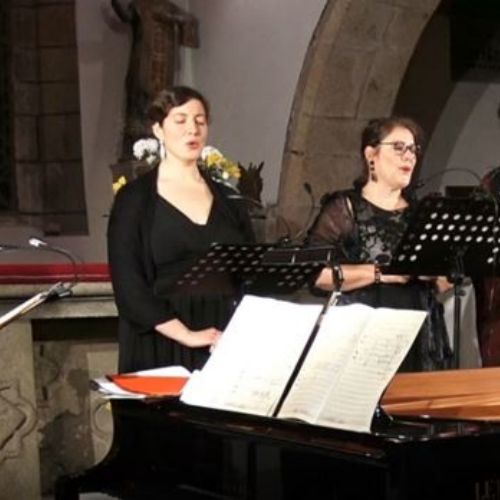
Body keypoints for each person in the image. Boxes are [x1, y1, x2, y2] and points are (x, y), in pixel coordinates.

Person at [107, 86, 255, 373]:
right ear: (158, 129)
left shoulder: (229, 200)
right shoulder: (134, 199)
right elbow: (129, 286)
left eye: (200, 121)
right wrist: (187, 335)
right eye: (181, 120)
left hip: (222, 337)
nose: (193, 129)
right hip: (161, 339)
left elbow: (249, 273)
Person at [305, 116, 452, 372]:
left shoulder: (421, 213)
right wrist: (382, 274)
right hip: (363, 336)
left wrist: (441, 273)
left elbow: (443, 283)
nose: (409, 156)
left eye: (413, 149)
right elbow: (316, 275)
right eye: (399, 147)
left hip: (420, 338)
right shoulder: (345, 208)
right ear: (371, 154)